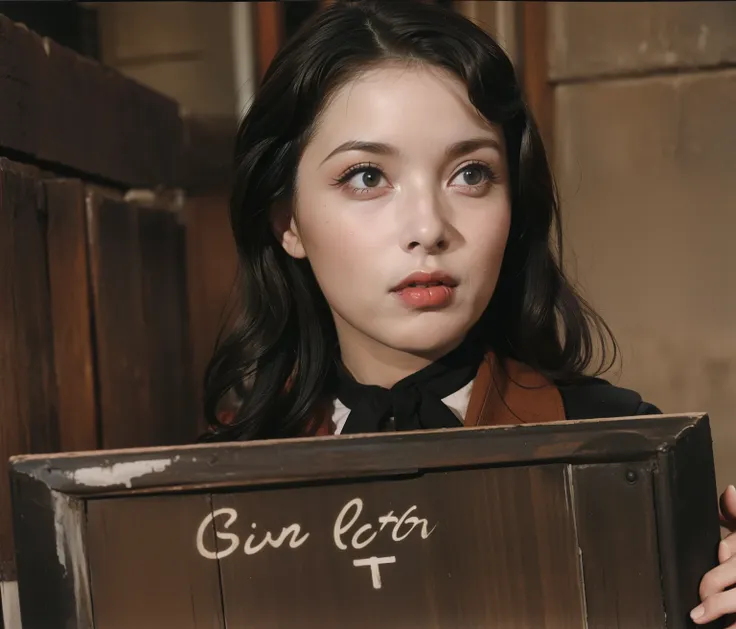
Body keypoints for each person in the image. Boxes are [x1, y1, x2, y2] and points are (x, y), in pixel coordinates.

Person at [202, 0, 736, 623]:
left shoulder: (621, 450)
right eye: (367, 176)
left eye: (472, 173)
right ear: (287, 221)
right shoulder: (218, 488)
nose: (428, 227)